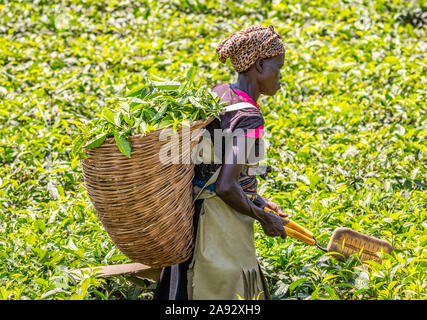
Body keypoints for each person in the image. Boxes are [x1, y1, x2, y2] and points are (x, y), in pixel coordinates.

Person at [154, 25, 288, 300]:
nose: (280, 75)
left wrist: (259, 201)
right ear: (260, 65)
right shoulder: (249, 118)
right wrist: (264, 219)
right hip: (218, 223)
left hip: (190, 217)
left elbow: (213, 167)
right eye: (278, 67)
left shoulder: (218, 94)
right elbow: (225, 186)